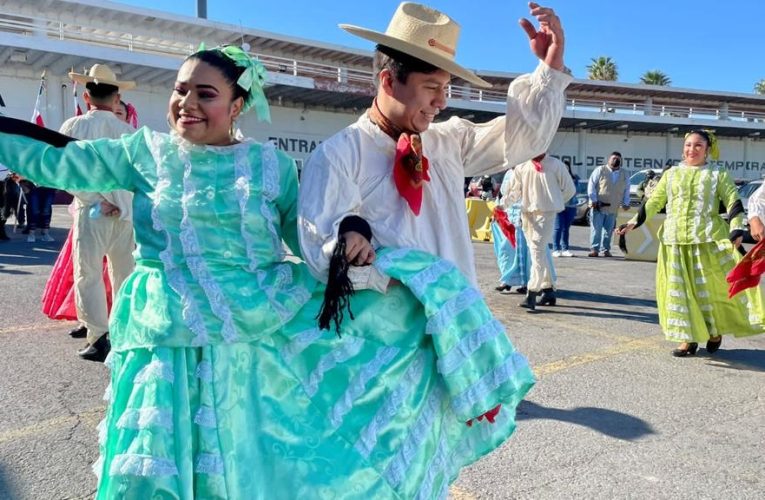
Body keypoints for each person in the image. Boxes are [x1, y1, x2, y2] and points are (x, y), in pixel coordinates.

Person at [0, 43, 533, 499]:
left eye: (205, 94)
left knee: (244, 461)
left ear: (237, 106)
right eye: (181, 90)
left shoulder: (270, 166)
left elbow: (308, 239)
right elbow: (57, 161)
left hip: (252, 336)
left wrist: (354, 238)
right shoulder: (145, 153)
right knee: (154, 464)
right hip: (162, 335)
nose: (186, 103)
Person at [299, 1, 571, 294]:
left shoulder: (448, 141)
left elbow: (523, 140)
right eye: (431, 87)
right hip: (390, 331)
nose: (441, 102)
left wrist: (549, 70)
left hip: (455, 322)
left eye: (446, 88)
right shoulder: (340, 156)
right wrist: (413, 287)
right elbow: (320, 252)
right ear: (388, 81)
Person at [618, 130, 765, 356]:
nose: (691, 149)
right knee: (680, 290)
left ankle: (714, 330)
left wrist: (736, 228)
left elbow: (733, 201)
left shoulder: (717, 173)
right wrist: (633, 222)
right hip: (675, 240)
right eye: (688, 145)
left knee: (709, 289)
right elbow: (655, 201)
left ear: (707, 149)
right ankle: (688, 339)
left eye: (698, 145)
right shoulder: (672, 174)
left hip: (707, 239)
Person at [54, 64, 137, 361]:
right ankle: (124, 331)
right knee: (125, 275)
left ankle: (99, 336)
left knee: (88, 274)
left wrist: (95, 199)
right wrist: (122, 203)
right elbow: (136, 177)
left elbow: (65, 174)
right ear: (116, 98)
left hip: (92, 211)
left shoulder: (73, 128)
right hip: (125, 215)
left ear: (87, 97)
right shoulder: (128, 132)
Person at [506, 153, 575, 309]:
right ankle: (548, 289)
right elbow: (514, 191)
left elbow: (569, 189)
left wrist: (555, 201)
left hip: (546, 213)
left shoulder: (556, 165)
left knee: (537, 250)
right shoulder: (522, 166)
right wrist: (503, 205)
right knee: (537, 252)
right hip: (527, 214)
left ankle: (532, 292)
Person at [587, 151, 630, 257]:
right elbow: (591, 185)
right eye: (614, 158)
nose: (616, 160)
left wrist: (626, 203)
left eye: (618, 159)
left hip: (613, 206)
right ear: (609, 159)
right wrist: (593, 200)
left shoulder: (624, 173)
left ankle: (605, 249)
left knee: (608, 230)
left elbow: (627, 189)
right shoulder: (600, 170)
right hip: (598, 206)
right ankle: (594, 249)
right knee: (596, 229)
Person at [552, 158, 579, 257]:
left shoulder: (574, 178)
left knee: (566, 228)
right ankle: (556, 249)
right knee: (558, 228)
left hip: (570, 206)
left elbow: (576, 190)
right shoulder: (555, 178)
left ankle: (565, 249)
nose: (565, 169)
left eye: (567, 168)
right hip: (559, 206)